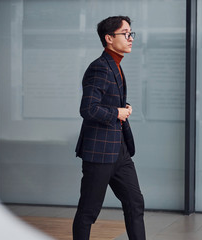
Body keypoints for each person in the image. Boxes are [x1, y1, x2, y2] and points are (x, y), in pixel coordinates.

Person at [72, 16, 146, 240]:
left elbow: (105, 102)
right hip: (100, 152)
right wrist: (117, 112)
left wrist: (122, 107)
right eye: (125, 33)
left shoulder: (116, 65)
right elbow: (88, 109)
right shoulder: (100, 68)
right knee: (88, 211)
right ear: (109, 38)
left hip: (120, 151)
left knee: (135, 203)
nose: (130, 38)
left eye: (131, 33)